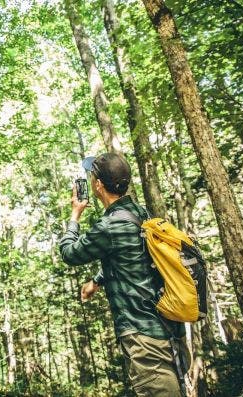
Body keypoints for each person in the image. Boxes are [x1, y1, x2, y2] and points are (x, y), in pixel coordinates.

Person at [58, 152, 190, 397]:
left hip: (145, 340)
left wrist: (75, 215)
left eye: (92, 176)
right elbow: (134, 258)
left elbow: (69, 253)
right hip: (173, 330)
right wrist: (97, 281)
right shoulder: (143, 214)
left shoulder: (108, 227)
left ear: (98, 185)